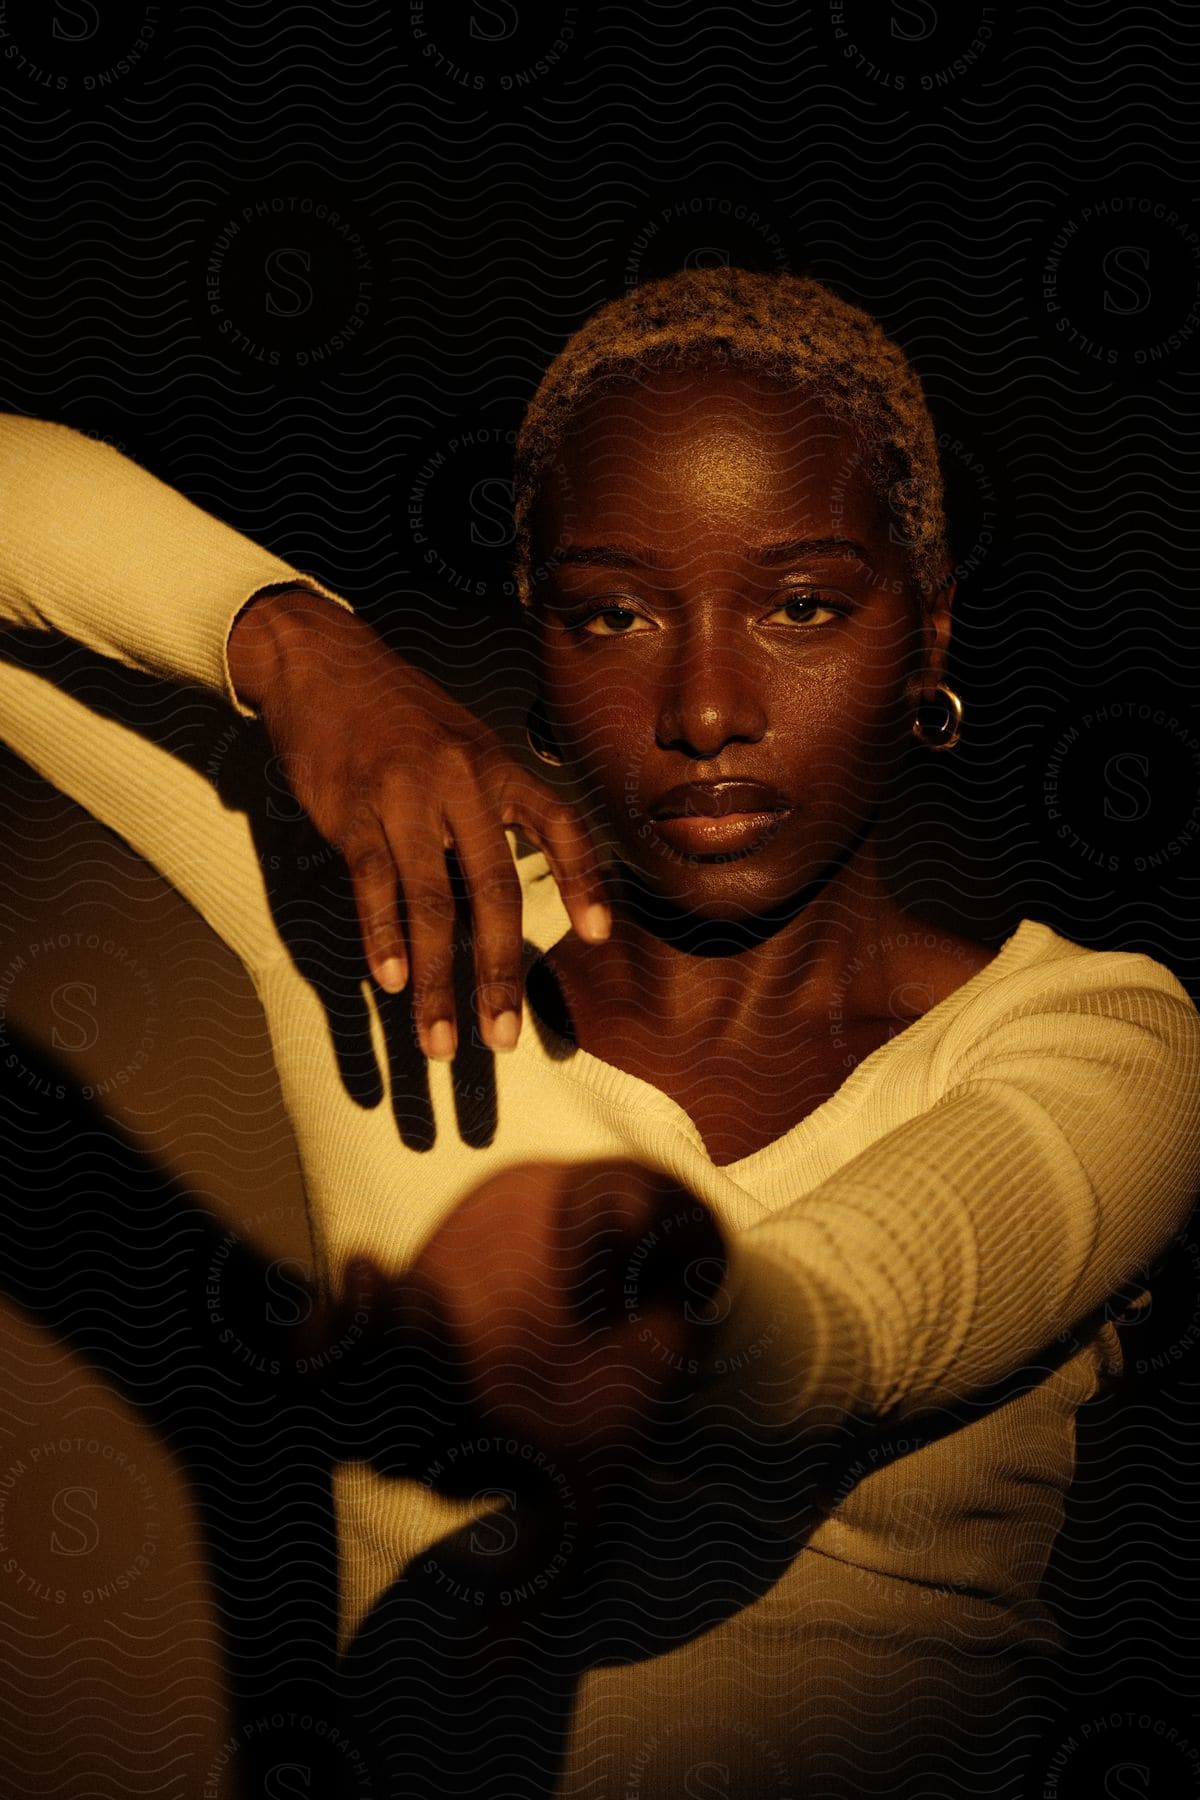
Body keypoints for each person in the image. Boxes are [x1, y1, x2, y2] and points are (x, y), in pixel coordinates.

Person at [1, 267, 1198, 1798]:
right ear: (541, 648)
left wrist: (632, 1295)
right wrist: (295, 645)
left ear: (928, 635)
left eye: (804, 606)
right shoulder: (401, 919)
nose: (707, 706)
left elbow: (853, 1327)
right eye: (617, 612)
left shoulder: (1107, 1038)